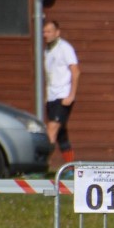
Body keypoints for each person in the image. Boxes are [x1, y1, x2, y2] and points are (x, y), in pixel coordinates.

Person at [43, 19, 80, 167]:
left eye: (49, 31)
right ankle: (71, 167)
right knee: (61, 134)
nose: (45, 34)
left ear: (57, 32)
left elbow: (75, 71)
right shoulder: (46, 50)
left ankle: (41, 165)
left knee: (51, 131)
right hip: (51, 96)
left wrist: (71, 95)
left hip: (62, 96)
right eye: (44, 31)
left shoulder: (65, 48)